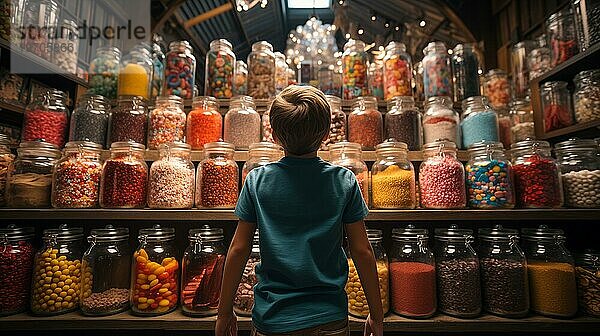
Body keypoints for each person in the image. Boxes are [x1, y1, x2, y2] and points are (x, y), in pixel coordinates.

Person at [216, 85, 384, 336]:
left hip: (273, 318)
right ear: (327, 134)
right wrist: (377, 315)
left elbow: (239, 249)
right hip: (330, 317)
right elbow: (362, 251)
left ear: (273, 135)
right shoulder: (344, 180)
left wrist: (224, 312)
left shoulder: (256, 180)